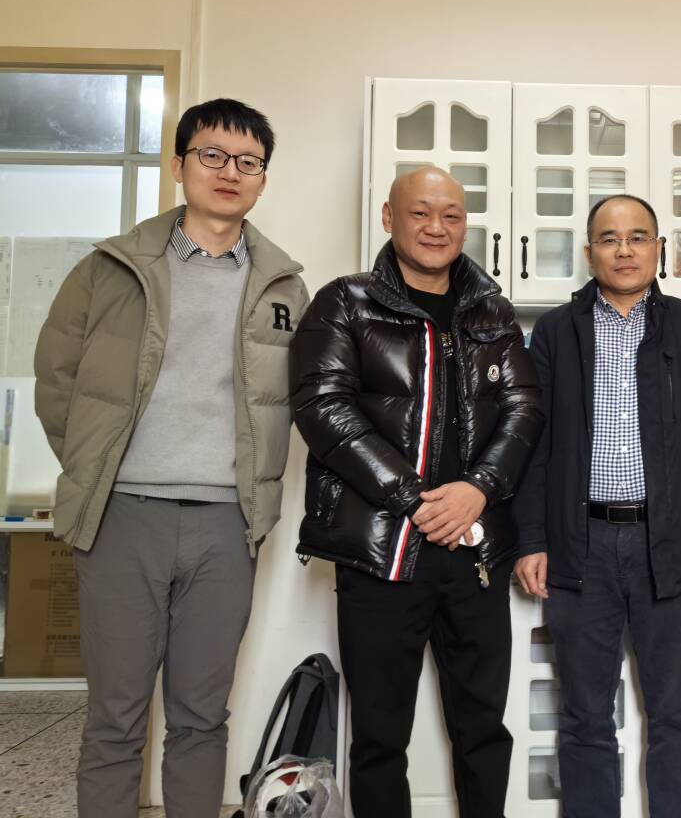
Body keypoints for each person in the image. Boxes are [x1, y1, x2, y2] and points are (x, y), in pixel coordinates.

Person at [34, 98, 308, 818]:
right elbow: (56, 384)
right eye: (212, 155)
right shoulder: (110, 270)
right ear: (179, 164)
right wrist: (97, 467)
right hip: (122, 517)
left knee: (201, 716)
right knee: (115, 717)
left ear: (262, 179)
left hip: (227, 524)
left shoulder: (284, 285)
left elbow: (296, 399)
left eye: (248, 161)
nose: (229, 171)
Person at [289, 166, 542, 818]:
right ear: (388, 217)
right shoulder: (345, 303)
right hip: (383, 553)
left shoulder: (492, 312)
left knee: (483, 729)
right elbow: (323, 409)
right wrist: (417, 499)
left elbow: (524, 409)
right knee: (380, 738)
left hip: (475, 552)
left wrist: (478, 491)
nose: (437, 227)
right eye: (420, 213)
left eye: (451, 215)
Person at [513, 193, 681, 818]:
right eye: (609, 239)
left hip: (668, 544)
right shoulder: (556, 332)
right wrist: (532, 539)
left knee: (676, 713)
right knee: (584, 715)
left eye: (638, 237)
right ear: (589, 252)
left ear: (658, 248)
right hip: (579, 544)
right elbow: (534, 446)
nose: (624, 250)